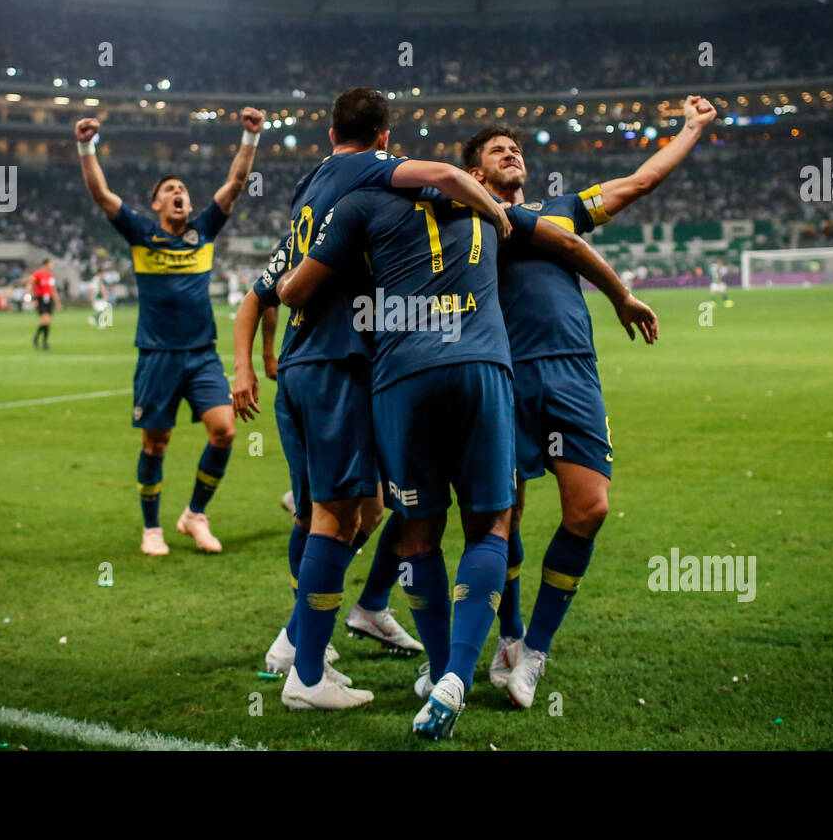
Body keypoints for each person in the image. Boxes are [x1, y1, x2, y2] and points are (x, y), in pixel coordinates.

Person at [278, 174, 651, 739]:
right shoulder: (486, 207)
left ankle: (405, 656)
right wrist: (622, 295)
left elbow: (293, 290)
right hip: (479, 367)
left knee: (411, 530)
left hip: (399, 376)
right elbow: (571, 244)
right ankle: (455, 672)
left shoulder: (358, 205)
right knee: (491, 525)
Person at [252, 86, 511, 711]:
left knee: (351, 509)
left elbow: (274, 288)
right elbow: (447, 173)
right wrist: (496, 212)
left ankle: (310, 643)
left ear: (329, 131)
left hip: (306, 361)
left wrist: (259, 354)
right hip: (341, 360)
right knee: (337, 517)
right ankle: (303, 668)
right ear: (385, 140)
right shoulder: (367, 178)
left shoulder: (311, 185)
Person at [459, 94, 714, 709]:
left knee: (590, 508)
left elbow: (641, 181)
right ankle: (510, 636)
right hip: (504, 376)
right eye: (498, 150)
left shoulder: (564, 209)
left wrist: (692, 128)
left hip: (572, 374)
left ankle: (535, 650)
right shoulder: (464, 220)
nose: (512, 153)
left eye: (517, 149)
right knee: (504, 517)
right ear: (475, 173)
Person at [75, 109, 263, 556]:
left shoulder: (203, 231)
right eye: (169, 191)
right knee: (156, 442)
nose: (178, 194)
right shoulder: (141, 233)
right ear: (157, 204)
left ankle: (194, 514)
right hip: (157, 355)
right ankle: (152, 528)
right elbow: (101, 194)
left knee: (225, 431)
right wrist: (86, 146)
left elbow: (235, 185)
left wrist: (249, 137)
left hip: (201, 354)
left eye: (182, 190)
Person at [234, 239, 424, 677]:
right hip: (330, 378)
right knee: (324, 518)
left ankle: (316, 630)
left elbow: (262, 297)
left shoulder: (335, 223)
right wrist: (248, 364)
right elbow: (258, 297)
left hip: (339, 377)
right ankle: (301, 650)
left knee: (373, 511)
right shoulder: (340, 225)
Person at [30, 258, 61, 349]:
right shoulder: (37, 274)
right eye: (51, 264)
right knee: (45, 321)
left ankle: (43, 342)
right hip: (40, 300)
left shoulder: (51, 276)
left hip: (49, 299)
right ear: (45, 265)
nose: (52, 266)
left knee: (48, 323)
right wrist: (34, 299)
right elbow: (31, 285)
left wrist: (57, 301)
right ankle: (38, 338)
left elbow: (53, 289)